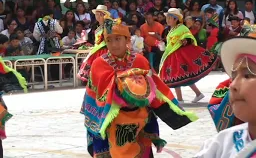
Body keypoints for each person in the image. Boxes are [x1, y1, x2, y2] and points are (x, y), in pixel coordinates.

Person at [81, 16, 198, 157]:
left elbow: (156, 86)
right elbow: (97, 94)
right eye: (109, 40)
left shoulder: (140, 60)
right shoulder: (99, 63)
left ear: (127, 40)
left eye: (118, 39)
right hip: (110, 121)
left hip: (139, 121)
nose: (113, 44)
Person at [159, 8, 218, 103]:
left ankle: (180, 99)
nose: (167, 20)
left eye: (170, 18)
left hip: (180, 55)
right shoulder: (170, 29)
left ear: (175, 19)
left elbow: (189, 37)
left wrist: (185, 41)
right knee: (184, 76)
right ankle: (198, 94)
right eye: (167, 18)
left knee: (177, 75)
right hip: (173, 54)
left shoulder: (182, 28)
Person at [78, 5, 109, 83]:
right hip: (97, 48)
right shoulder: (97, 26)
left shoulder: (108, 26)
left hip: (105, 49)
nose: (97, 16)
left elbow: (107, 39)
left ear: (104, 15)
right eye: (96, 14)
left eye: (100, 14)